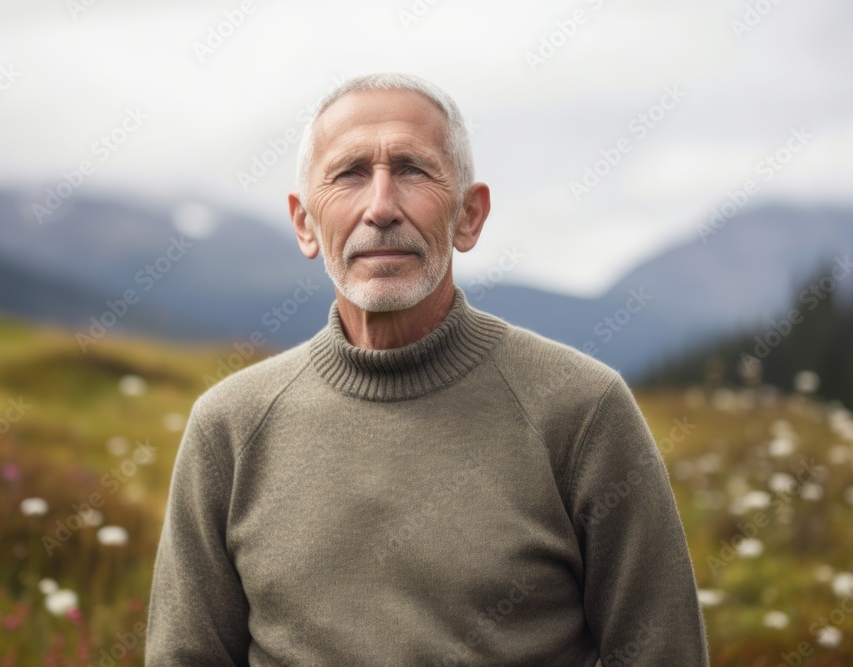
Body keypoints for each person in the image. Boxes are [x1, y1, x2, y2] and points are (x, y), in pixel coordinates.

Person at [146, 72, 709, 666]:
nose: (381, 207)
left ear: (469, 215)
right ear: (305, 223)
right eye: (349, 174)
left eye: (412, 170)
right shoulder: (229, 427)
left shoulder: (583, 409)